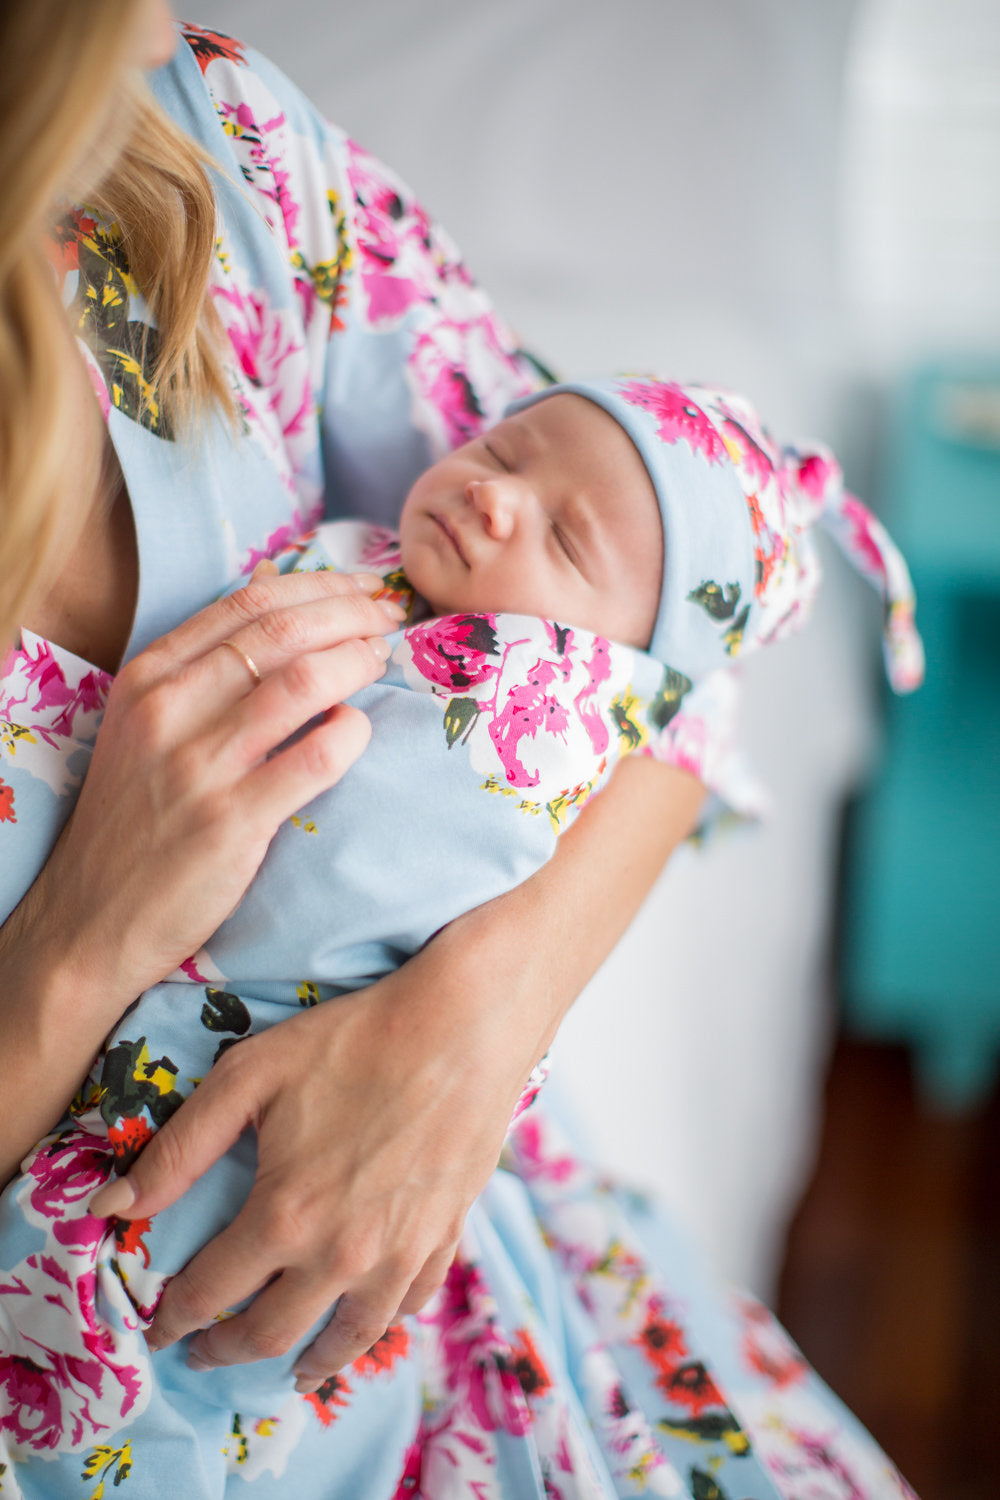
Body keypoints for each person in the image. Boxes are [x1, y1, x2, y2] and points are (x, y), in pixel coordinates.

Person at [0, 5, 919, 1496]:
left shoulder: (215, 144)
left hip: (459, 1241)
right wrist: (77, 942)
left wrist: (480, 1024)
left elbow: (675, 648)